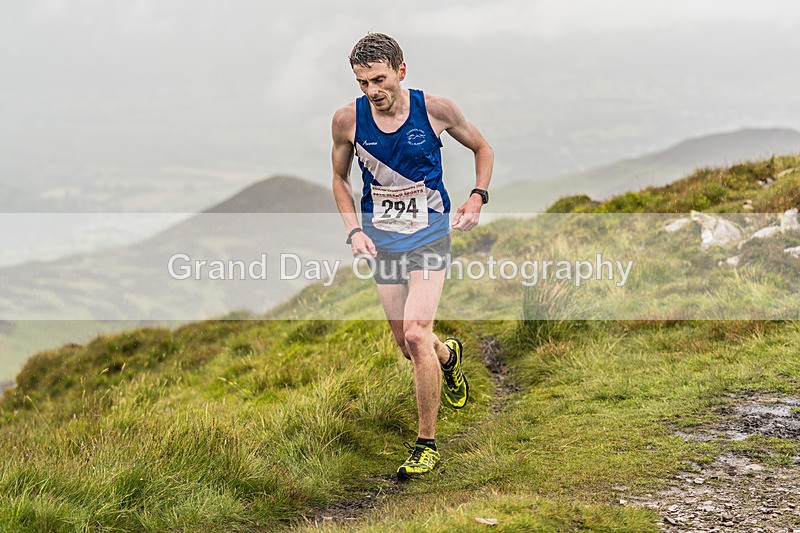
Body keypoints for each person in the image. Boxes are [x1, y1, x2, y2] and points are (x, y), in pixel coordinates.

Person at [331, 33, 493, 480]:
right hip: (382, 240)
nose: (372, 91)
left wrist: (477, 196)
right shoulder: (347, 120)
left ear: (401, 71)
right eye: (363, 82)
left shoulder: (435, 110)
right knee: (407, 345)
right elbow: (340, 180)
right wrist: (354, 231)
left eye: (379, 79)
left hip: (429, 233)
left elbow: (483, 147)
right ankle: (449, 358)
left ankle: (426, 444)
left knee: (418, 333)